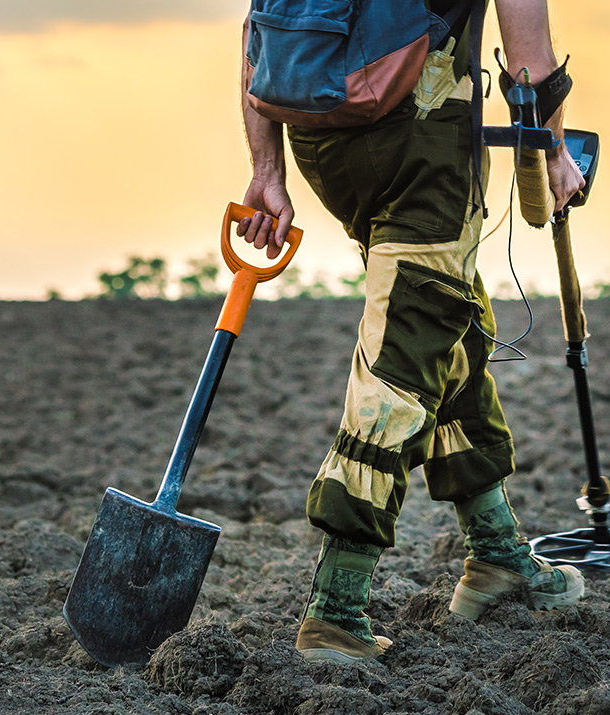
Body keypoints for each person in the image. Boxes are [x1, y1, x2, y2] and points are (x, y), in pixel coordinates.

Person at [234, 0, 589, 663]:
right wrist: (555, 152)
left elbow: (259, 34)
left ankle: (498, 556)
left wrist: (267, 169)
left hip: (325, 146)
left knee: (445, 323)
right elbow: (531, 68)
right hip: (420, 140)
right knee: (403, 354)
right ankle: (336, 609)